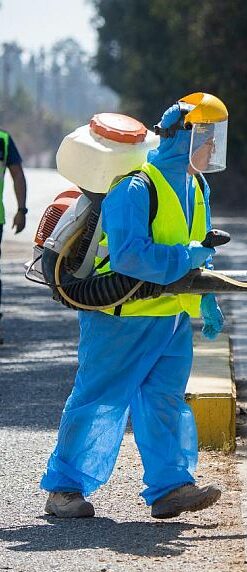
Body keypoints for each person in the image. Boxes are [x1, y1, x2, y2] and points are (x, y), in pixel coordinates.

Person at [41, 93, 229, 519]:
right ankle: (64, 490)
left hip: (171, 320)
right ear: (183, 136)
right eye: (208, 136)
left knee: (164, 403)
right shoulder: (135, 187)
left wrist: (208, 301)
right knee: (99, 401)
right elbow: (130, 256)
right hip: (120, 319)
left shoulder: (197, 185)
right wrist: (186, 257)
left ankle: (171, 488)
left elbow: (202, 248)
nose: (214, 147)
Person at [0, 128, 28, 345]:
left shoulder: (4, 139)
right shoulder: (4, 138)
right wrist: (21, 210)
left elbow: (17, 173)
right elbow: (17, 173)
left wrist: (22, 210)